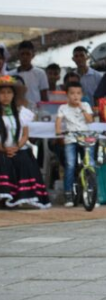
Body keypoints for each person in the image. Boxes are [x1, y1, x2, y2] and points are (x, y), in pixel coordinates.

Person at [0, 76, 49, 208]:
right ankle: (3, 198)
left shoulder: (22, 113)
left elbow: (25, 134)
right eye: (2, 93)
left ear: (14, 95)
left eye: (9, 93)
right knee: (3, 161)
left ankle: (22, 198)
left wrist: (16, 147)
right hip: (2, 150)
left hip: (19, 148)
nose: (5, 96)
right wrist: (4, 149)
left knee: (24, 160)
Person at [55, 83, 94, 207]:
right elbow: (58, 121)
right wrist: (58, 131)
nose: (75, 96)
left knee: (90, 164)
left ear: (82, 95)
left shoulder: (86, 105)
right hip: (70, 138)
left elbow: (90, 120)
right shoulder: (63, 107)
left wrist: (81, 108)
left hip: (85, 138)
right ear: (67, 95)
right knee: (70, 165)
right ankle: (68, 194)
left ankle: (93, 194)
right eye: (72, 93)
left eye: (78, 93)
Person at [15, 41, 47, 108]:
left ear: (33, 55)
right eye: (22, 54)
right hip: (17, 109)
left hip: (35, 109)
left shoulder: (40, 73)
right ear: (18, 55)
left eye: (28, 54)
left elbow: (44, 96)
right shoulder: (10, 74)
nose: (25, 57)